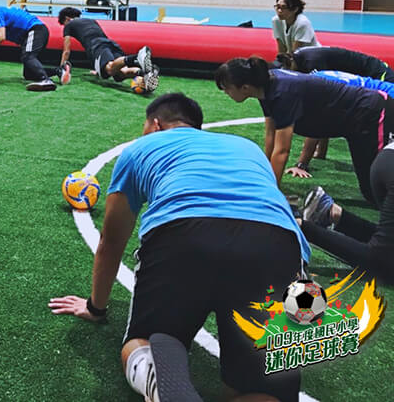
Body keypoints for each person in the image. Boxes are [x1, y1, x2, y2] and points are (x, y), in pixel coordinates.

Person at [49, 93, 307, 402]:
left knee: (144, 342)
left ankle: (160, 383)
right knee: (261, 388)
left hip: (183, 235)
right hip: (276, 245)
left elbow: (111, 241)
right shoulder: (247, 148)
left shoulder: (141, 148)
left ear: (156, 125)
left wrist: (95, 307)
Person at [214, 57, 394, 204]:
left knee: (380, 187)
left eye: (227, 89)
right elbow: (270, 137)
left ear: (245, 88)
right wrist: (265, 178)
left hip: (373, 113)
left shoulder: (282, 93)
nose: (226, 93)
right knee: (370, 190)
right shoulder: (265, 88)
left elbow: (282, 151)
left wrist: (271, 194)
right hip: (353, 123)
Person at [300, 143, 394, 285]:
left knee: (387, 243)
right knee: (381, 260)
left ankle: (332, 213)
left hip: (385, 158)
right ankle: (299, 225)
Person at [0, 0, 62, 91]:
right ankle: (59, 71)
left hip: (36, 30)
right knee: (29, 74)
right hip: (31, 35)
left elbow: (1, 37)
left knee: (28, 57)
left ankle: (45, 80)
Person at [58, 7, 157, 91]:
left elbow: (66, 51)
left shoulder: (69, 25)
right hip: (110, 44)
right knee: (119, 74)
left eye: (63, 23)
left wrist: (61, 68)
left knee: (109, 70)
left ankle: (136, 57)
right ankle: (144, 73)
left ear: (66, 19)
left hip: (97, 46)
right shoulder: (91, 21)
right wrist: (97, 69)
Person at [278, 46, 389, 81]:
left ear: (291, 61)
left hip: (377, 73)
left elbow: (324, 87)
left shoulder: (313, 63)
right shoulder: (299, 55)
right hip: (364, 73)